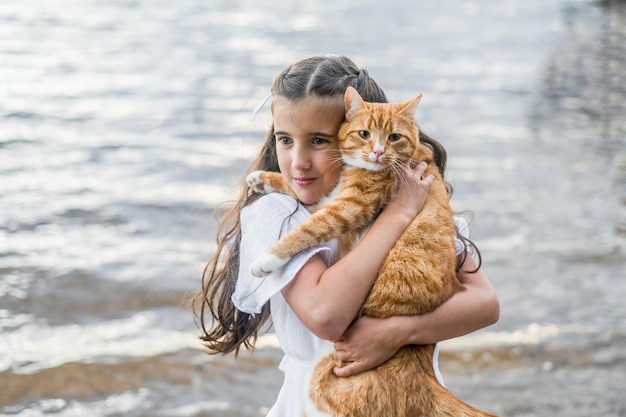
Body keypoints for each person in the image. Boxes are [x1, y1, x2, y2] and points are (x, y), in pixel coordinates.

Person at [192, 55, 500, 416]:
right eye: (285, 140)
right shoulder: (277, 213)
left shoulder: (414, 197)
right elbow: (326, 315)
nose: (298, 161)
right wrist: (398, 214)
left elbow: (486, 304)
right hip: (319, 403)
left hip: (410, 400)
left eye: (319, 141)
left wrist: (400, 331)